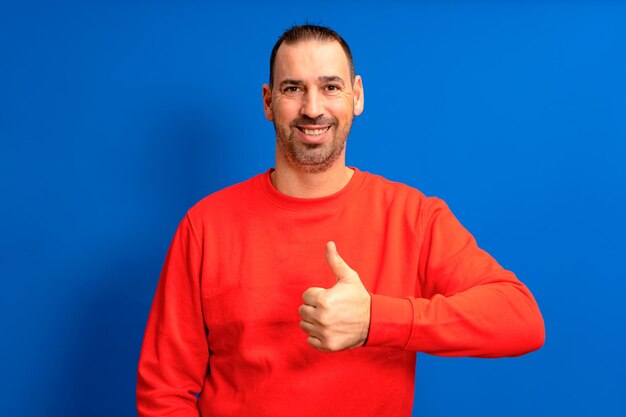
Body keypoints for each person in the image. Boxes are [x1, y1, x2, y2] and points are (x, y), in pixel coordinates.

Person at [136, 24, 545, 417]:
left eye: (330, 87)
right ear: (267, 101)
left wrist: (375, 321)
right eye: (293, 89)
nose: (313, 109)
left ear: (357, 96)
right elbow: (164, 391)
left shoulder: (413, 216)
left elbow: (520, 319)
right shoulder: (205, 226)